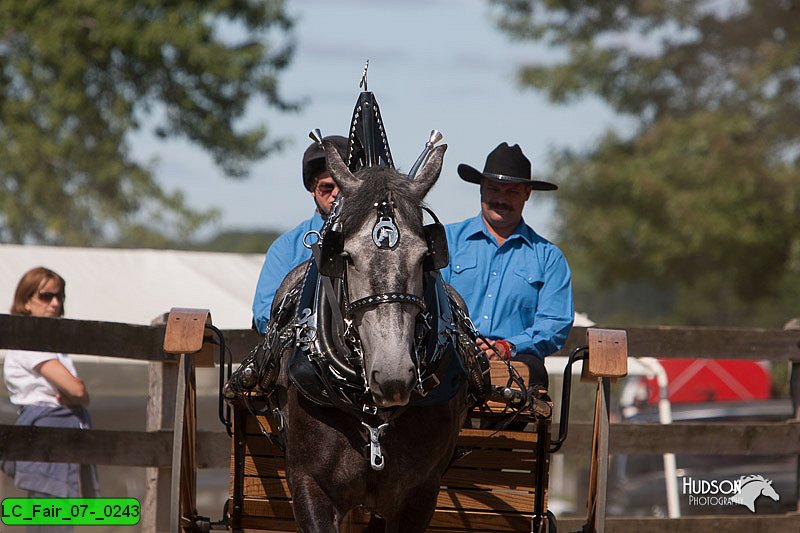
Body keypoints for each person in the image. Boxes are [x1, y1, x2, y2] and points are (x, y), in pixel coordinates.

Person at [442, 142, 574, 390]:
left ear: (527, 194)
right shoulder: (447, 242)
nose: (500, 199)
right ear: (481, 189)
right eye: (493, 189)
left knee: (530, 371)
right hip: (450, 356)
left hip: (515, 362)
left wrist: (509, 346)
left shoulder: (549, 258)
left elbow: (555, 323)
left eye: (512, 192)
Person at [2, 267, 99, 531]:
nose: (55, 302)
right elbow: (78, 391)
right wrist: (76, 394)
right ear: (26, 300)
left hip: (59, 441)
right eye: (46, 296)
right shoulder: (28, 338)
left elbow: (78, 393)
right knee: (50, 517)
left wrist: (77, 394)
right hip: (47, 439)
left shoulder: (48, 341)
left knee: (55, 518)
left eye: (59, 296)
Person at [252, 135, 349, 334]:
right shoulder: (287, 247)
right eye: (327, 187)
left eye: (344, 186)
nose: (336, 194)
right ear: (313, 189)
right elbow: (264, 316)